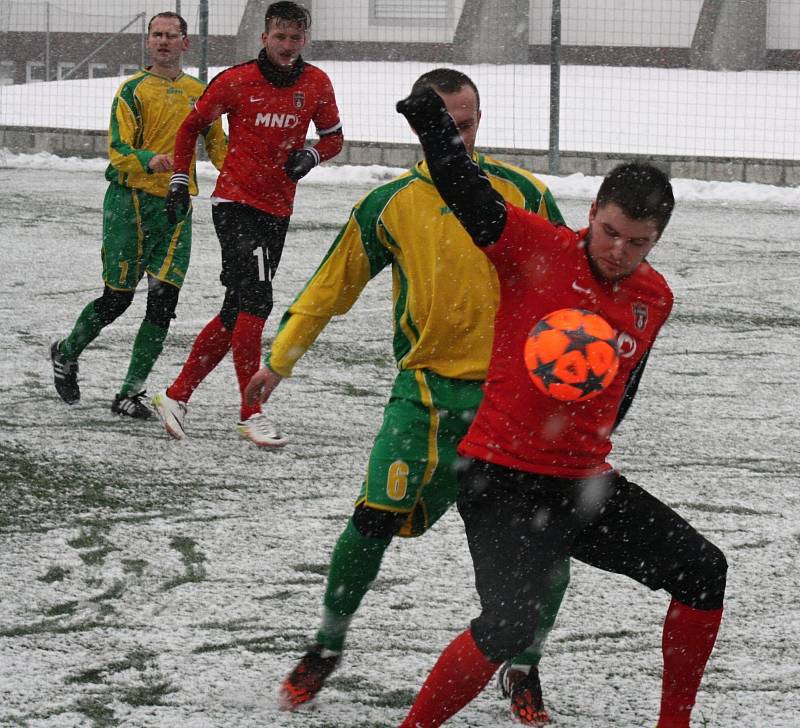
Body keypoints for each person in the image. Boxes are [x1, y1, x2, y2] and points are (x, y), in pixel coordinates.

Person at [244, 69, 570, 725]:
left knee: (548, 546)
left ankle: (524, 664)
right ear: (420, 123)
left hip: (511, 408)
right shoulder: (392, 204)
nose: (458, 137)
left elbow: (571, 282)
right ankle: (327, 643)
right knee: (372, 521)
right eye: (445, 124)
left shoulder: (524, 193)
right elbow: (331, 285)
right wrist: (279, 360)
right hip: (421, 401)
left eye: (468, 123)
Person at [394, 87, 728, 728]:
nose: (619, 251)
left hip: (583, 483)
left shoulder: (653, 299)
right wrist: (435, 127)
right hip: (500, 477)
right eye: (610, 232)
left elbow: (622, 394)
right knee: (510, 622)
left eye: (638, 241)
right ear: (592, 211)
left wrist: (582, 448)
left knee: (703, 572)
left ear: (657, 239)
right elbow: (467, 192)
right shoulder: (535, 248)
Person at [151, 0, 343, 445]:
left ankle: (176, 395)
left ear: (304, 39)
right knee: (257, 301)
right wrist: (181, 180)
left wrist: (310, 155)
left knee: (237, 309)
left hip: (278, 209)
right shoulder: (236, 80)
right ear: (264, 37)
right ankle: (250, 411)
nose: (288, 46)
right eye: (280, 37)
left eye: (296, 38)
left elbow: (334, 139)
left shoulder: (315, 83)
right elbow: (190, 127)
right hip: (235, 204)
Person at [50, 11, 227, 417]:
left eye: (171, 35)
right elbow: (119, 150)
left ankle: (130, 392)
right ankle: (67, 350)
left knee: (164, 301)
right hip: (129, 204)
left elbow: (219, 147)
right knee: (117, 299)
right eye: (157, 35)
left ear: (186, 42)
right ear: (148, 42)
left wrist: (252, 171)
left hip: (176, 207)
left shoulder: (200, 93)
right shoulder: (131, 91)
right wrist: (151, 160)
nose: (163, 41)